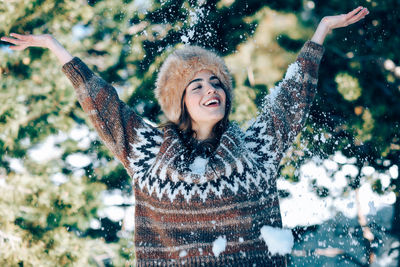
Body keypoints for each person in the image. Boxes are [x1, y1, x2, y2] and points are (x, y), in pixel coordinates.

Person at [1, 6, 369, 267]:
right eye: (196, 85)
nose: (212, 89)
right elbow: (103, 103)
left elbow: (292, 98)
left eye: (216, 82)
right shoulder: (147, 152)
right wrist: (55, 46)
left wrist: (320, 31)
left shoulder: (257, 147)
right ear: (179, 104)